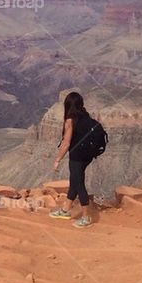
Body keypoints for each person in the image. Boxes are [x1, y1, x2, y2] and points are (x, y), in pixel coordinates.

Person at [48, 91, 93, 228]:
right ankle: (65, 210)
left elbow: (66, 143)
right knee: (74, 180)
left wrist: (57, 160)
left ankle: (86, 217)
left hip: (77, 157)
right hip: (87, 155)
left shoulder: (70, 120)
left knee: (79, 184)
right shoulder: (85, 116)